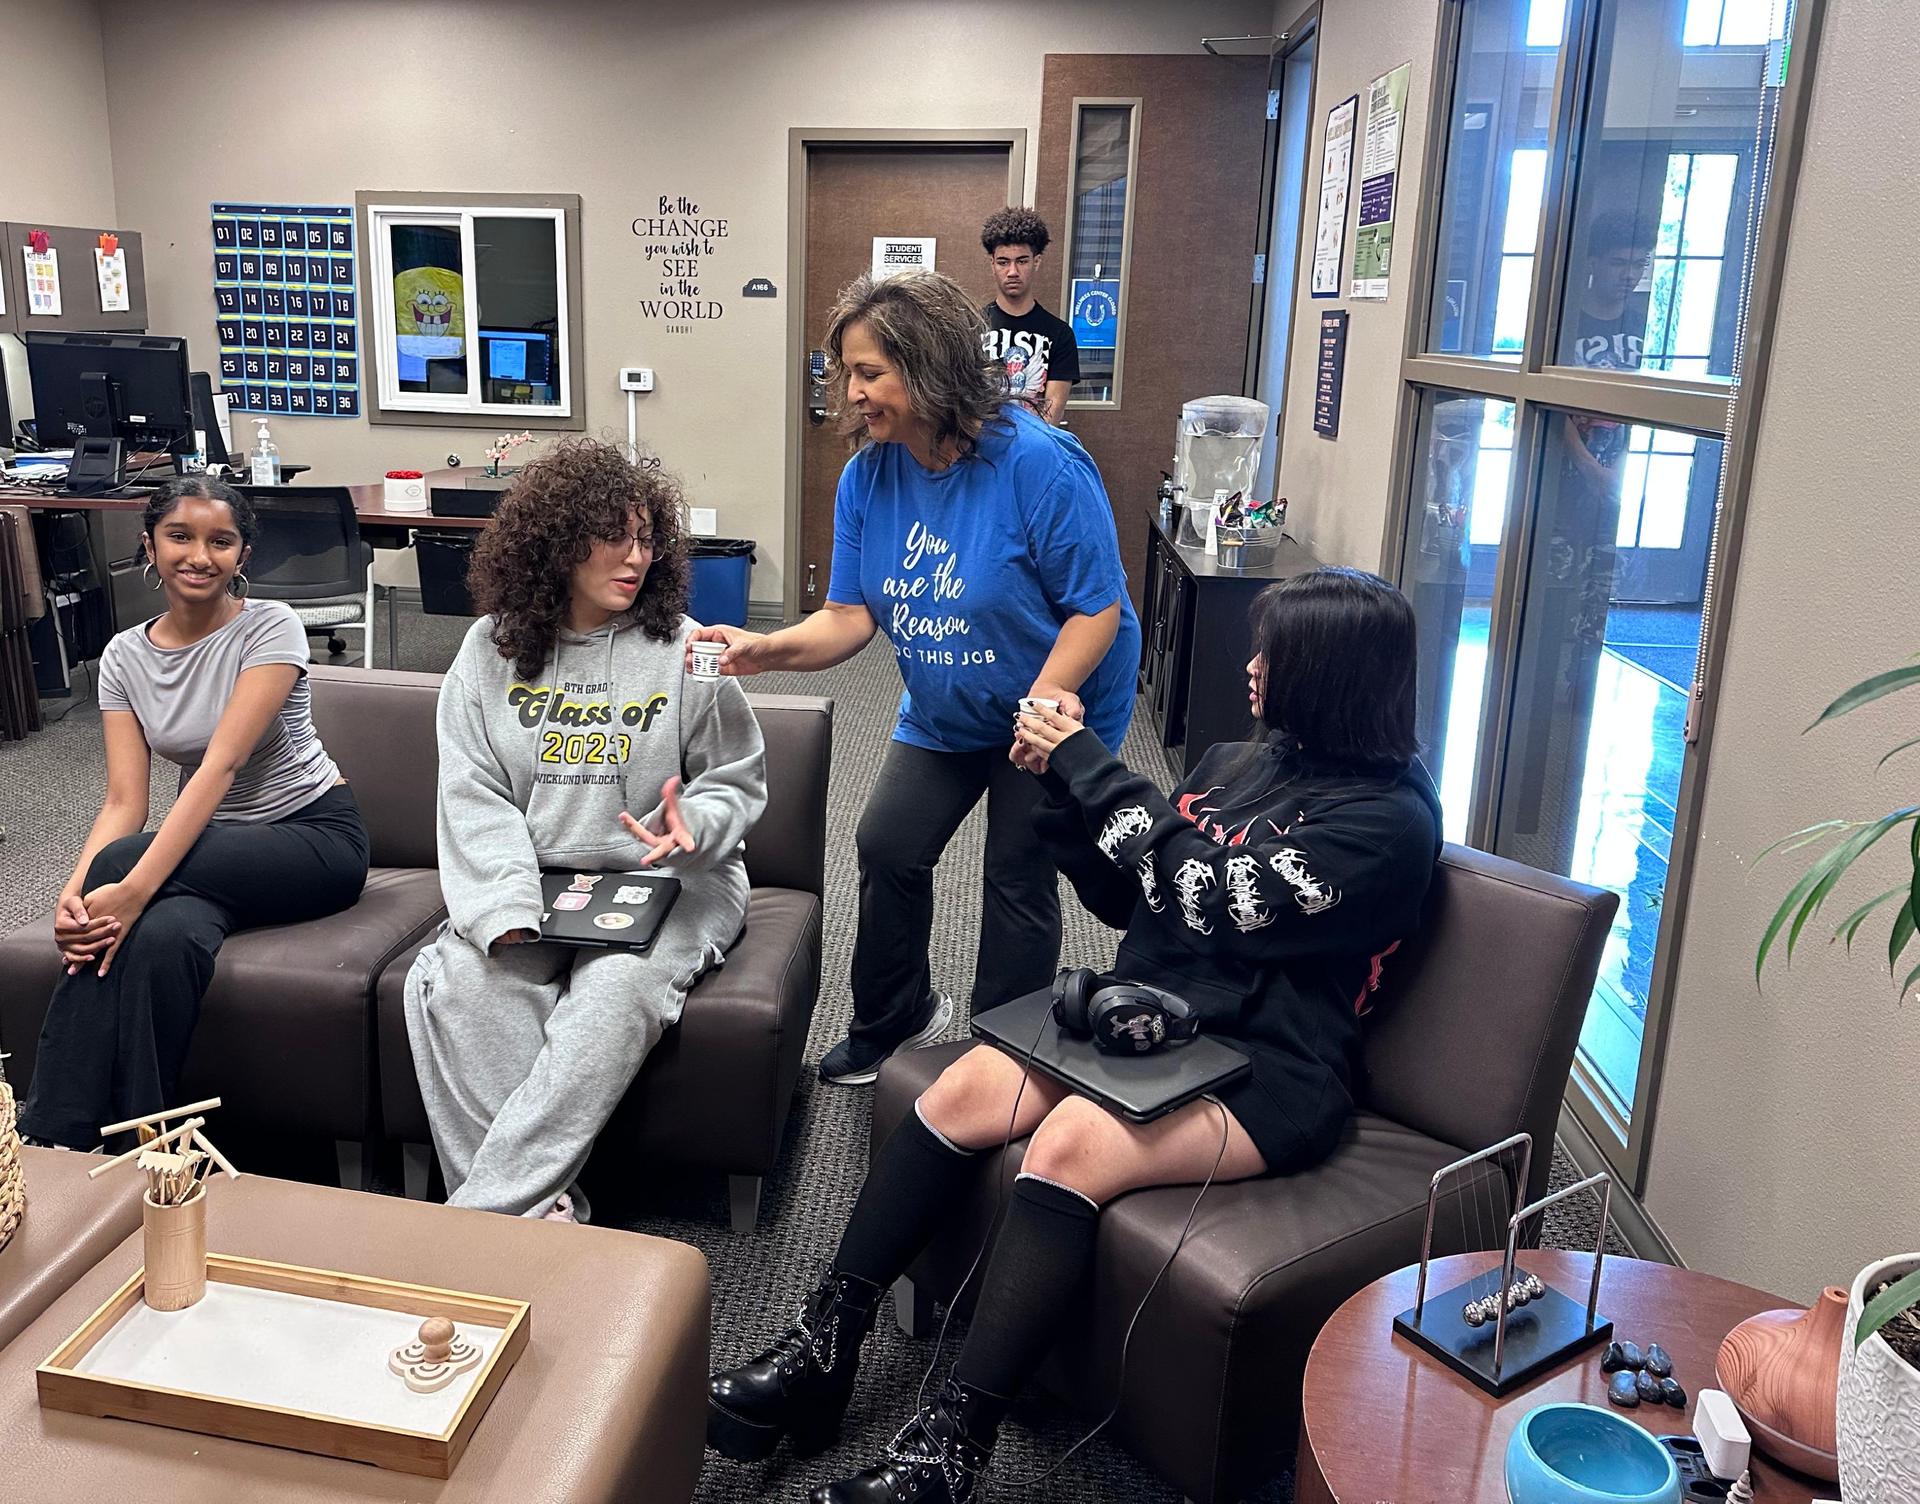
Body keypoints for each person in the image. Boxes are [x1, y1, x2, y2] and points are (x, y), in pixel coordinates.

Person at [706, 568, 1444, 1504]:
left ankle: (954, 1447)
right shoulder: (1240, 761)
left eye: (1276, 657)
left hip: (1272, 1067)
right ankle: (824, 1348)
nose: (1253, 668)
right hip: (1153, 1019)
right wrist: (1062, 795)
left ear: (1332, 678)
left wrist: (1093, 764)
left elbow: (1211, 903)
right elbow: (1133, 891)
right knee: (957, 1093)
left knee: (1069, 1146)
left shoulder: (1388, 823)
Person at [689, 270, 1139, 1087]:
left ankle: (1003, 1053)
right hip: (945, 701)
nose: (851, 393)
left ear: (929, 368)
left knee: (1016, 868)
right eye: (846, 374)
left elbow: (1095, 611)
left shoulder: (1039, 464)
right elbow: (851, 616)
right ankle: (893, 1017)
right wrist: (767, 650)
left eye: (869, 374)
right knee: (887, 844)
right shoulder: (870, 476)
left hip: (1052, 700)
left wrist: (1045, 708)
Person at [402, 439, 766, 1221]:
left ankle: (484, 1219)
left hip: (673, 880)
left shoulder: (684, 649)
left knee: (613, 996)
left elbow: (737, 779)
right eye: (615, 537)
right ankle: (543, 1217)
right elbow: (473, 795)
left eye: (648, 540)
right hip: (539, 879)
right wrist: (504, 908)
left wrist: (694, 824)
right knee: (459, 986)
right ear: (558, 542)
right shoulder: (488, 650)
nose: (636, 558)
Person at [19, 477, 369, 1149]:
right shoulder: (125, 656)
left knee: (124, 872)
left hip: (312, 837)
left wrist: (120, 887)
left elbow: (219, 766)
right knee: (161, 937)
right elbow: (125, 800)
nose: (199, 555)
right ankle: (133, 1145)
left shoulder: (270, 627)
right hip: (214, 853)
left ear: (242, 555)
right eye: (180, 536)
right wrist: (73, 903)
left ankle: (45, 1129)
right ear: (148, 545)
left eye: (221, 541)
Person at [976, 206, 1080, 424]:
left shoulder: (1059, 335)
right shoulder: (970, 328)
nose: (1012, 272)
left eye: (1022, 261)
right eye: (1004, 262)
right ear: (992, 264)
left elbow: (1051, 417)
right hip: (978, 450)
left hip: (1033, 452)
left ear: (1037, 261)